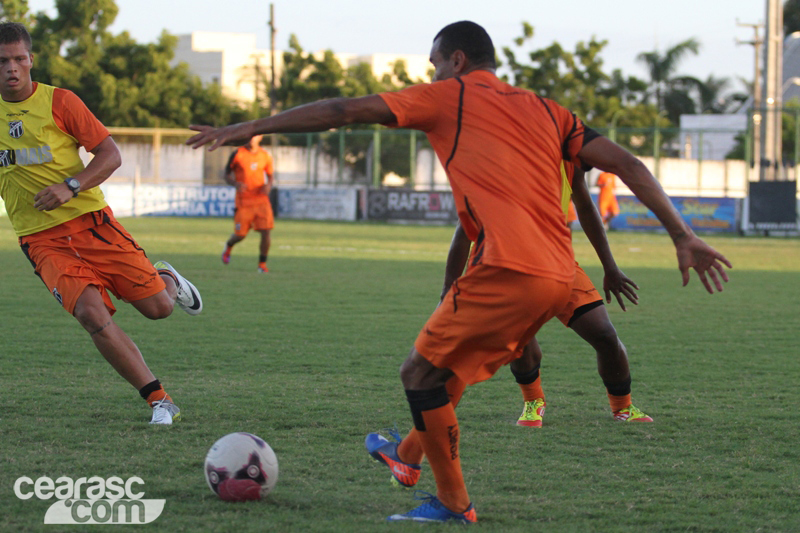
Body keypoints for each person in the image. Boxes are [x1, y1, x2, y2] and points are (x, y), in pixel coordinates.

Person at [187, 20, 731, 525]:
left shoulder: (451, 95)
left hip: (506, 268)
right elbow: (631, 165)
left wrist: (254, 126)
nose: (431, 75)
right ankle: (402, 456)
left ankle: (454, 503)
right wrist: (682, 235)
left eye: (434, 65)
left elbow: (344, 108)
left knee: (417, 376)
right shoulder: (551, 111)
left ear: (456, 60)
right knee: (450, 375)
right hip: (559, 273)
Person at [0, 22, 202, 425]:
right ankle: (159, 400)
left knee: (159, 309)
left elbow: (110, 155)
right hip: (41, 240)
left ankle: (168, 280)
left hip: (91, 223)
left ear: (31, 60)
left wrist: (70, 186)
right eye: (3, 61)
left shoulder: (61, 102)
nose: (12, 68)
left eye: (19, 59)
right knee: (91, 314)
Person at [441, 162, 650, 429]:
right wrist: (448, 291)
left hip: (556, 262)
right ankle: (533, 402)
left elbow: (585, 207)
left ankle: (623, 407)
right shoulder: (497, 158)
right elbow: (464, 228)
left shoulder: (567, 154)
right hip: (503, 265)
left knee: (605, 335)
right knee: (519, 339)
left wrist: (610, 267)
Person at [221, 134, 275, 273]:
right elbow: (226, 175)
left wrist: (268, 185)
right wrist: (234, 183)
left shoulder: (265, 155)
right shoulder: (238, 154)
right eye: (250, 136)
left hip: (261, 200)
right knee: (240, 235)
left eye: (255, 136)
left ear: (260, 137)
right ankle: (228, 246)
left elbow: (270, 175)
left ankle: (262, 264)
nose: (252, 138)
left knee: (266, 231)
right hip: (243, 201)